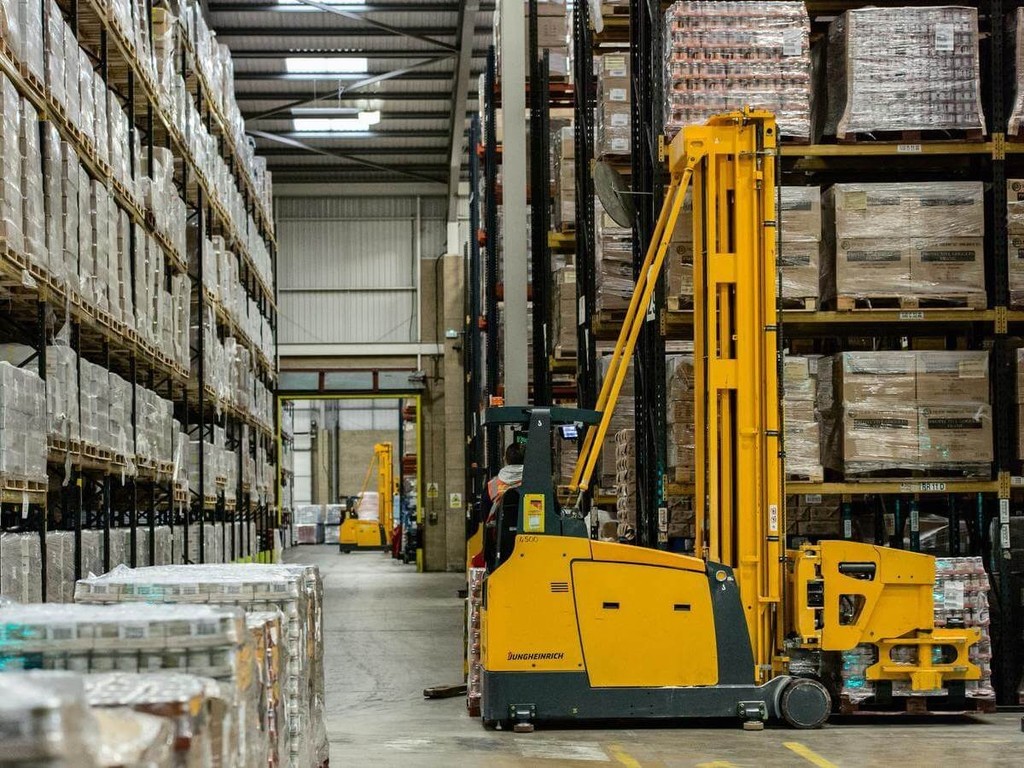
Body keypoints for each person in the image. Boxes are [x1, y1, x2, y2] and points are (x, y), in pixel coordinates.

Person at [470, 442, 524, 569]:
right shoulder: (536, 484)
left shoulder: (493, 485)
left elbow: (485, 516)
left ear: (506, 459)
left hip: (499, 546)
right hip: (533, 543)